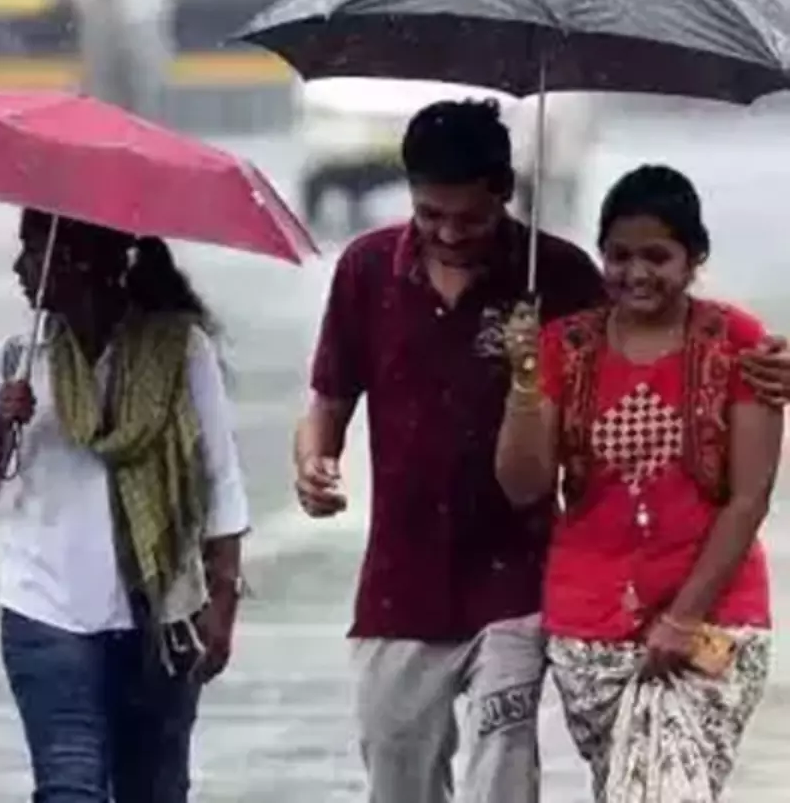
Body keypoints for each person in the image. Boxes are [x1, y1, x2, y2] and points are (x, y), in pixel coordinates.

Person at [293, 99, 790, 803]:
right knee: (398, 776)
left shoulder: (554, 274)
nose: (449, 233)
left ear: (505, 190)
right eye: (430, 214)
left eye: (469, 217)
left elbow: (653, 339)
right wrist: (314, 462)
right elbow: (329, 399)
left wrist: (769, 365)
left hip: (516, 579)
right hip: (401, 581)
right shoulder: (366, 269)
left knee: (505, 774)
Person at [495, 165, 780, 801]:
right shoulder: (563, 346)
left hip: (713, 620)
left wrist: (682, 618)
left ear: (695, 258)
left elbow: (749, 498)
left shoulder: (739, 343)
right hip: (591, 626)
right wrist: (524, 382)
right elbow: (523, 486)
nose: (636, 273)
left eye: (657, 256)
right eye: (619, 256)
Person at [0, 210, 249, 801]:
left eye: (33, 250)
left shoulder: (179, 352)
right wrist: (1, 426)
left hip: (160, 617)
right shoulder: (18, 361)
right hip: (46, 613)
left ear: (81, 261)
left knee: (154, 790)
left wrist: (223, 603)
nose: (19, 268)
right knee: (70, 789)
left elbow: (221, 482)